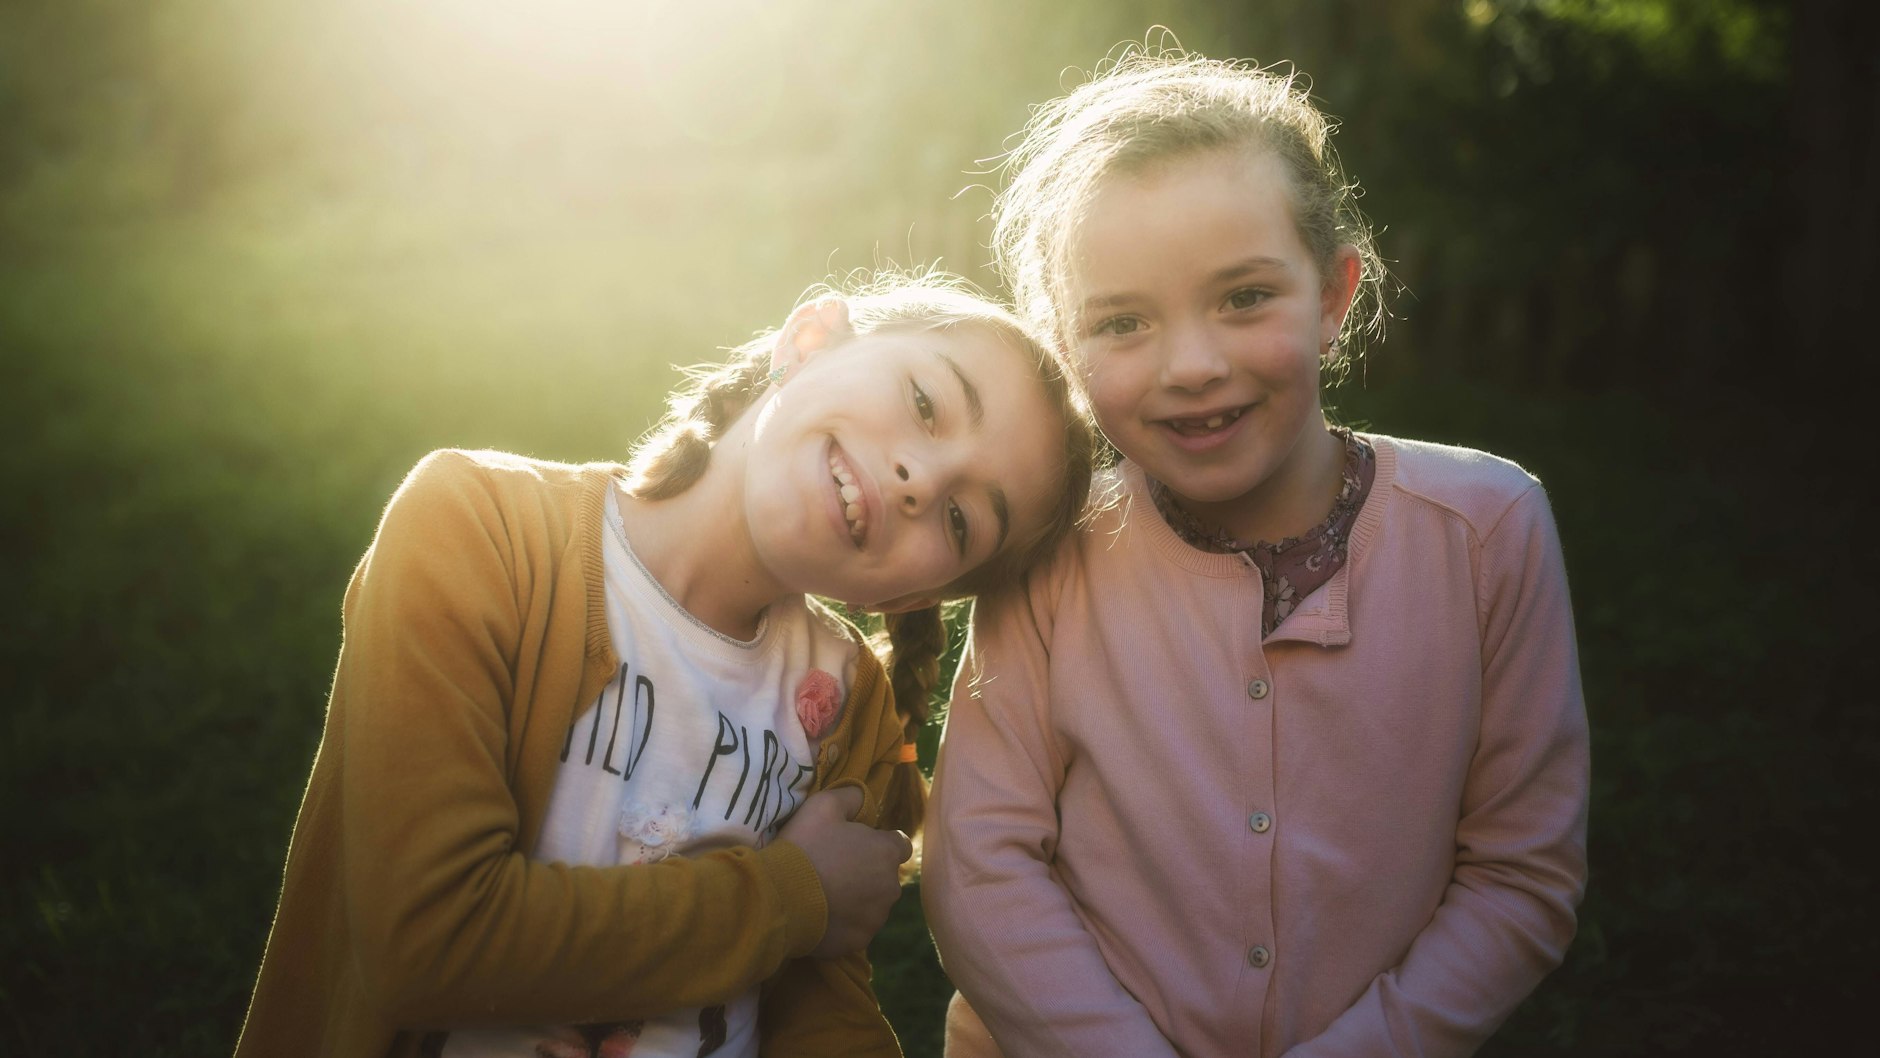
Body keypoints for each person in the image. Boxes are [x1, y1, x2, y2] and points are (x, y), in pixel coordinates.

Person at [234, 274, 1097, 1058]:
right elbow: (428, 942)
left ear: (918, 597)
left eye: (959, 523)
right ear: (810, 337)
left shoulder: (844, 708)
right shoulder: (481, 530)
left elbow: (817, 1006)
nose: (919, 478)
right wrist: (790, 896)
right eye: (924, 400)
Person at [923, 45, 1590, 1058]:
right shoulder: (1051, 559)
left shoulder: (1487, 529)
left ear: (1331, 295)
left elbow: (1519, 875)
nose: (1191, 365)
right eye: (1123, 320)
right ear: (1067, 347)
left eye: (1242, 297)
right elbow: (977, 865)